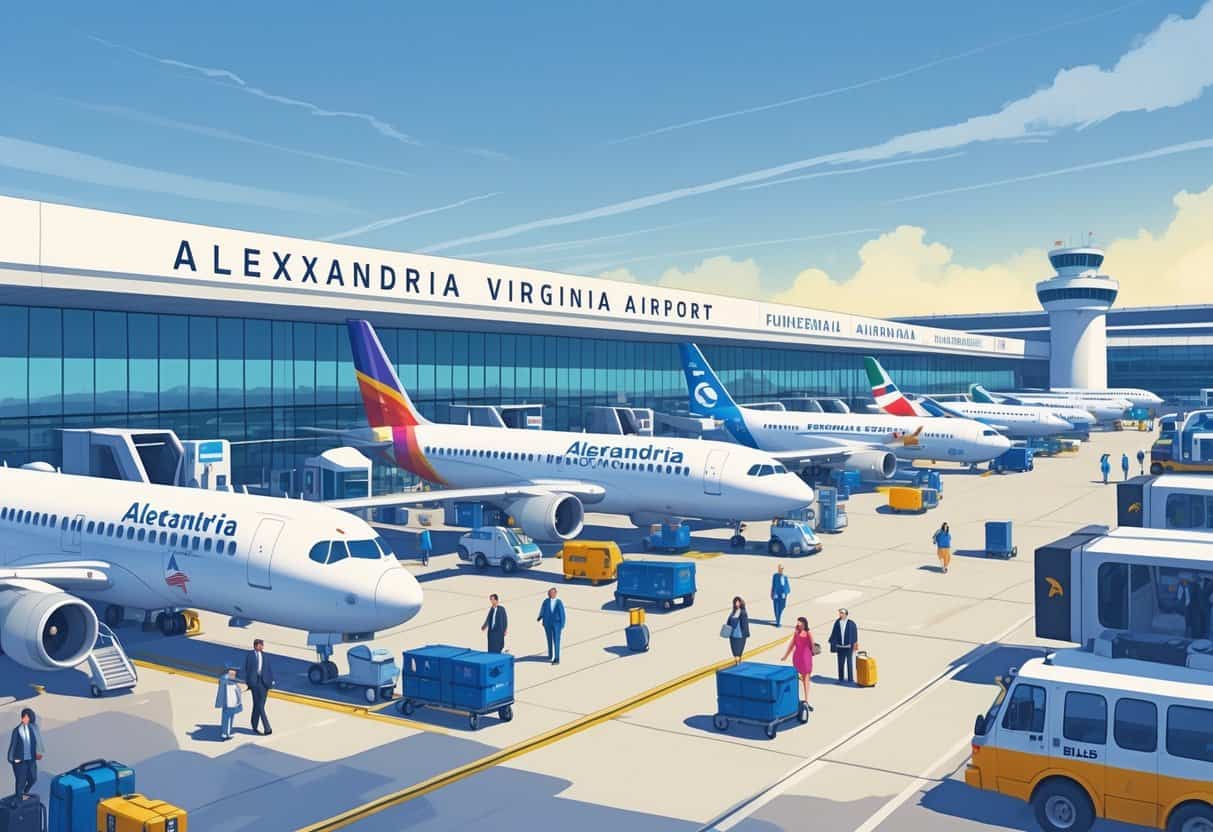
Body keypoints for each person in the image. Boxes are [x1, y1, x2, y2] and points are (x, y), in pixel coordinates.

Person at [7, 708, 43, 801]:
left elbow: (38, 742)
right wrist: (11, 759)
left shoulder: (34, 729)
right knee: (20, 781)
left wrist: (39, 752)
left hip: (31, 759)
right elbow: (13, 744)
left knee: (33, 778)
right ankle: (19, 799)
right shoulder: (17, 730)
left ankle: (24, 792)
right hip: (19, 759)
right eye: (27, 717)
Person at [780, 616, 815, 708]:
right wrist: (785, 656)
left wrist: (812, 652)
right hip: (798, 657)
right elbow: (791, 645)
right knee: (799, 678)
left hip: (805, 657)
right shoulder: (796, 633)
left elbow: (812, 645)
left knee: (806, 678)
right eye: (797, 622)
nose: (797, 624)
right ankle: (800, 699)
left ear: (803, 623)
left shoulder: (808, 633)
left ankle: (806, 700)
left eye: (799, 622)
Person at [243, 638, 275, 736]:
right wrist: (248, 683)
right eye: (260, 645)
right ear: (256, 645)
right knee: (260, 705)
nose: (262, 647)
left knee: (258, 705)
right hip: (254, 683)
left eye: (262, 645)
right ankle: (267, 728)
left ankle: (254, 724)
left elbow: (269, 669)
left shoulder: (265, 656)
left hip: (264, 683)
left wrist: (271, 681)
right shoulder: (250, 655)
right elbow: (247, 669)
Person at [829, 608, 859, 684]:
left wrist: (855, 644)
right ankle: (841, 678)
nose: (840, 614)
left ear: (846, 614)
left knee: (849, 663)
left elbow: (855, 634)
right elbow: (834, 633)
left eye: (842, 613)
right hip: (840, 646)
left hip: (849, 646)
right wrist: (832, 642)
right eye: (840, 613)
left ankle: (850, 679)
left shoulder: (851, 623)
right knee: (840, 663)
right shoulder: (837, 622)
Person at [537, 587, 566, 665]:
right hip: (547, 623)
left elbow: (562, 613)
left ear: (556, 593)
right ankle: (550, 655)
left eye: (552, 593)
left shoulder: (559, 602)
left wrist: (562, 623)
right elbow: (542, 609)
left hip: (557, 624)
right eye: (549, 593)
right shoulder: (546, 601)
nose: (550, 594)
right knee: (549, 639)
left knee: (556, 641)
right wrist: (540, 616)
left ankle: (557, 658)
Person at [215, 663, 244, 741]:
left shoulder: (226, 680)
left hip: (228, 704)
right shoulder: (229, 682)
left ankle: (226, 733)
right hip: (230, 704)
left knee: (227, 718)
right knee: (228, 719)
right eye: (232, 672)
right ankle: (226, 734)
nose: (234, 673)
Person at [724, 597, 750, 665]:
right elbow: (729, 622)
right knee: (735, 652)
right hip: (733, 635)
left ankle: (738, 664)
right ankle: (737, 663)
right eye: (735, 602)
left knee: (738, 651)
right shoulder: (733, 612)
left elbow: (744, 624)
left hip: (740, 635)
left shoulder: (742, 612)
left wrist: (746, 634)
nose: (736, 604)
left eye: (738, 602)